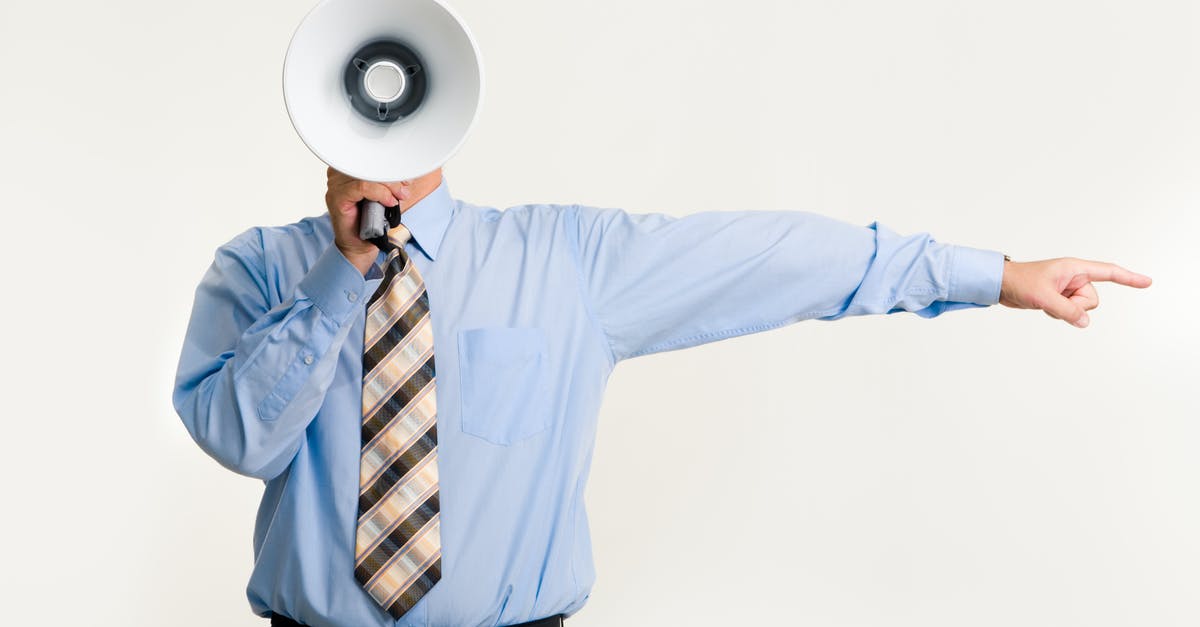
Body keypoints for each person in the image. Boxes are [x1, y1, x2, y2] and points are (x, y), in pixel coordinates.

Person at [173, 167, 1152, 627]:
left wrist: (993, 272)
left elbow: (770, 257)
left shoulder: (565, 259)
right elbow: (242, 440)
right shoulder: (261, 269)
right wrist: (343, 275)